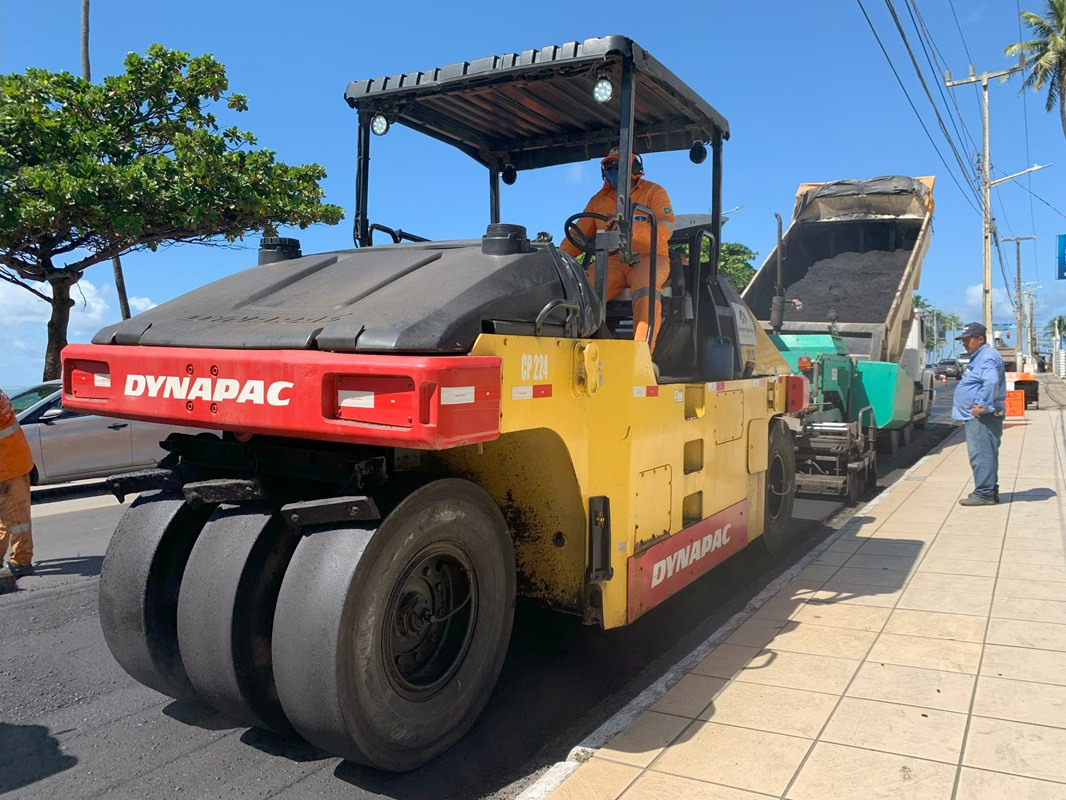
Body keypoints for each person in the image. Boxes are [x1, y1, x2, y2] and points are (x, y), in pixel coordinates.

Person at [560, 148, 675, 349]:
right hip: (610, 261)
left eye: (618, 166)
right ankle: (578, 348)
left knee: (645, 288)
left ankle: (642, 355)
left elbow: (664, 231)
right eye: (609, 166)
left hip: (648, 258)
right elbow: (579, 235)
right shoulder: (598, 200)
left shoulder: (654, 192)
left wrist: (630, 229)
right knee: (580, 291)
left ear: (634, 167)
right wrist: (559, 258)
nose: (613, 170)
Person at [951, 322, 1007, 506]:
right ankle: (988, 490)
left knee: (981, 454)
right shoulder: (981, 356)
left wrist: (982, 406)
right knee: (985, 453)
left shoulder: (987, 357)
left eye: (968, 340)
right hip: (980, 415)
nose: (965, 344)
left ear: (980, 339)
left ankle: (984, 494)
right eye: (963, 341)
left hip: (983, 416)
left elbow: (990, 382)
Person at [0, 389, 35, 575]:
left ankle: (22, 560)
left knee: (17, 517)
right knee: (7, 515)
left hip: (9, 466)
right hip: (11, 461)